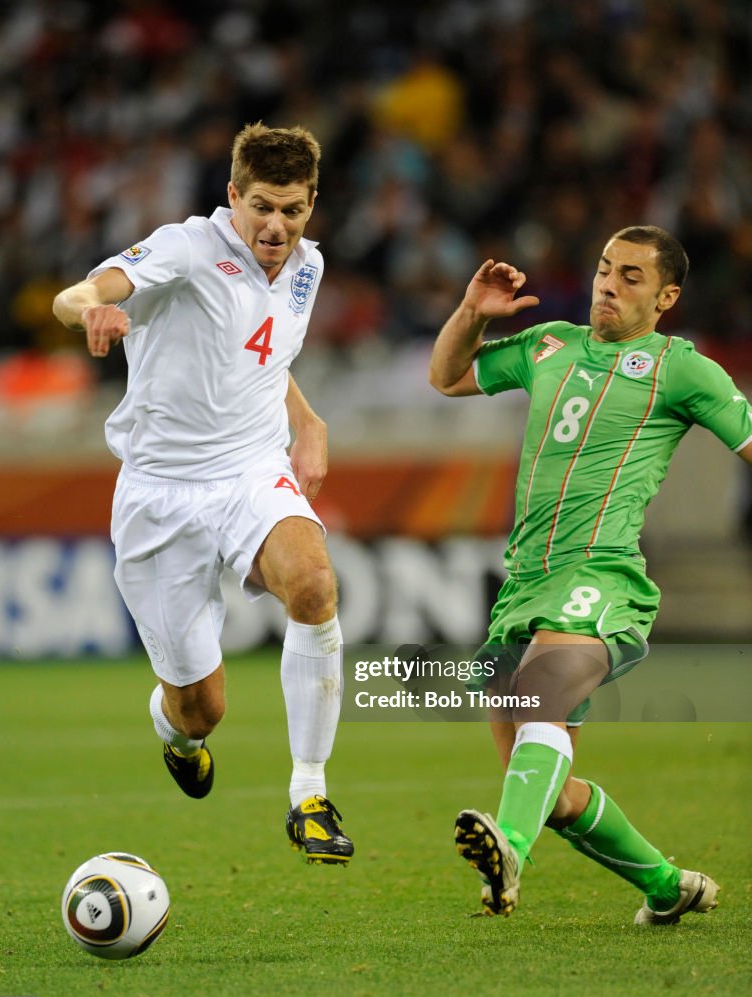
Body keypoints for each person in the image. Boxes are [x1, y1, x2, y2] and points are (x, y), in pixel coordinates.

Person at [429, 225, 752, 922]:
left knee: (540, 696)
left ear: (665, 296)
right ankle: (668, 888)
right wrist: (470, 313)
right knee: (550, 787)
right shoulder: (550, 345)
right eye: (605, 268)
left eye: (631, 277)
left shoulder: (680, 367)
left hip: (600, 576)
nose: (608, 283)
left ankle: (507, 848)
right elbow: (447, 377)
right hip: (523, 586)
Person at [53, 122, 353, 865]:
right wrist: (91, 306)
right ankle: (174, 732)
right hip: (160, 493)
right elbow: (81, 291)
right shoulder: (186, 249)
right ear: (232, 198)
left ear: (312, 205)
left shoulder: (306, 267)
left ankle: (309, 797)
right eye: (260, 207)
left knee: (314, 587)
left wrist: (306, 420)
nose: (275, 226)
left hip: (251, 469)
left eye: (291, 209)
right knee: (201, 709)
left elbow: (258, 356)